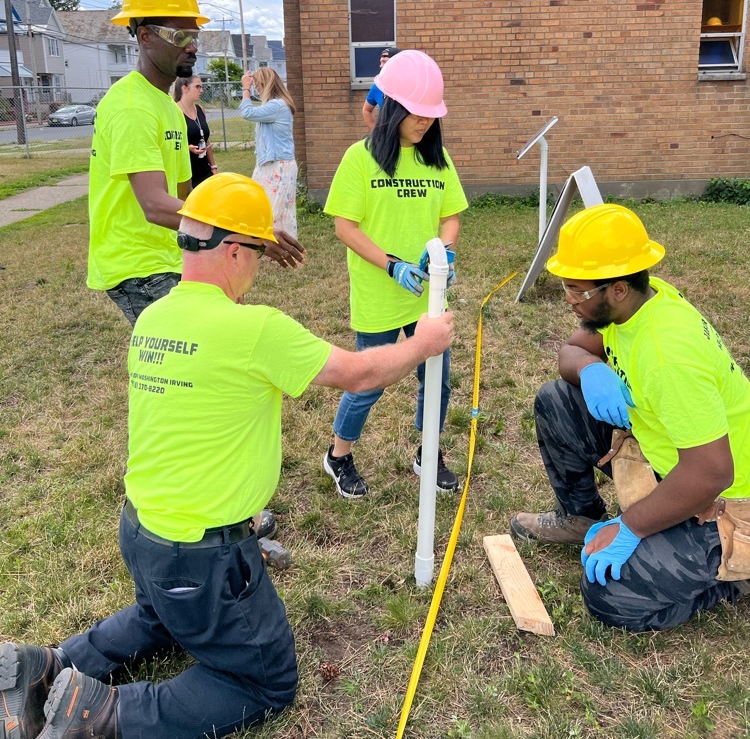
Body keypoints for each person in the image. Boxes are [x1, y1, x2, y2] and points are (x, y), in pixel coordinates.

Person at [0, 172, 454, 739]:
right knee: (263, 681)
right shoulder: (253, 328)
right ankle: (104, 716)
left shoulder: (155, 318)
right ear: (234, 250)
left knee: (159, 617)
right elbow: (360, 375)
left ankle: (47, 666)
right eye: (258, 252)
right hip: (202, 558)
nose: (258, 266)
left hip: (141, 535)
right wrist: (424, 341)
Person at [510, 203, 750, 632]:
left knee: (610, 597)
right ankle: (581, 517)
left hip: (727, 497)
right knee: (558, 398)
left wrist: (631, 526)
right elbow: (571, 351)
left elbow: (712, 473)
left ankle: (735, 576)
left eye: (576, 291)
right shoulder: (639, 299)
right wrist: (589, 368)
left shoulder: (668, 359)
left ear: (617, 288)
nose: (569, 300)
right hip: (672, 456)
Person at [89, 0, 302, 328]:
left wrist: (218, 262)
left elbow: (188, 198)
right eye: (180, 35)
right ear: (144, 36)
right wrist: (251, 232)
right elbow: (156, 206)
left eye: (195, 35)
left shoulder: (168, 107)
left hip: (171, 255)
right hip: (138, 265)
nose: (192, 45)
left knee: (210, 353)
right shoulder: (131, 106)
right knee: (192, 361)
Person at [323, 49, 468, 498]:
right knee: (370, 380)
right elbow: (344, 226)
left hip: (428, 293)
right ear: (392, 108)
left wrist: (443, 251)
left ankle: (429, 451)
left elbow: (450, 216)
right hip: (379, 292)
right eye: (416, 113)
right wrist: (391, 264)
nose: (424, 122)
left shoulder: (437, 158)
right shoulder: (359, 159)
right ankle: (339, 455)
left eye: (430, 115)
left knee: (436, 379)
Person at [240, 67, 298, 238]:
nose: (255, 88)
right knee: (265, 205)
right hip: (270, 164)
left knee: (277, 209)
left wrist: (245, 89)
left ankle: (278, 245)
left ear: (266, 84)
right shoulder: (274, 106)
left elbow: (247, 112)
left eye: (257, 85)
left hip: (280, 165)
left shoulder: (277, 106)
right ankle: (268, 242)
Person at [174, 75, 217, 186]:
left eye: (201, 87)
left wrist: (213, 167)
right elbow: (170, 143)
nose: (201, 90)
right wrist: (187, 148)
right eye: (197, 87)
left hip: (204, 170)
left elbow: (206, 140)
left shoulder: (200, 109)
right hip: (186, 172)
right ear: (184, 89)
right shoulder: (174, 111)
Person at [362, 46, 400, 131]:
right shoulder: (377, 87)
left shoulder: (411, 86)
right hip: (388, 139)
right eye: (381, 62)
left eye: (384, 62)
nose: (380, 66)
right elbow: (366, 110)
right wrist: (377, 132)